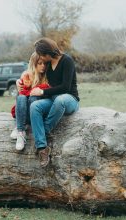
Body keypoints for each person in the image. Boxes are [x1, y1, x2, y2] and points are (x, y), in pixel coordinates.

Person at [28, 37, 80, 167]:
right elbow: (35, 74)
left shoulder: (67, 61)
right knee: (35, 106)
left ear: (47, 53)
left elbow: (65, 87)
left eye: (41, 55)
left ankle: (43, 133)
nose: (41, 58)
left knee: (60, 99)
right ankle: (42, 148)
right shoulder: (48, 65)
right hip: (54, 100)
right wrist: (22, 81)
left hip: (69, 99)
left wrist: (42, 92)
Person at [10, 52, 49, 151]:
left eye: (44, 63)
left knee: (33, 98)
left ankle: (20, 125)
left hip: (35, 115)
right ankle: (21, 132)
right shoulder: (27, 75)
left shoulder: (47, 76)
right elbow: (22, 92)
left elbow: (44, 89)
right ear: (33, 64)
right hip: (23, 110)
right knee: (21, 97)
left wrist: (34, 91)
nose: (43, 66)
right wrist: (19, 83)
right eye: (39, 63)